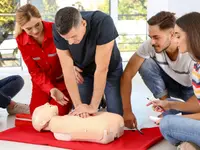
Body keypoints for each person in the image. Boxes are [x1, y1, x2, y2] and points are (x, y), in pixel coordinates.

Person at [120, 11, 195, 129]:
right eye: (151, 37)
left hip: (192, 89)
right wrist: (127, 111)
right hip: (172, 84)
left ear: (172, 34)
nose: (152, 42)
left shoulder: (190, 52)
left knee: (191, 115)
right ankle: (167, 106)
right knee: (145, 64)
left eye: (156, 37)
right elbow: (127, 74)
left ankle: (172, 109)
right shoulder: (150, 45)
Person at [53, 7, 123, 117]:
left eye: (73, 37)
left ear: (83, 23)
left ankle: (99, 99)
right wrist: (78, 105)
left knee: (116, 115)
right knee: (81, 113)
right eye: (66, 39)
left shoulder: (103, 22)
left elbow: (102, 69)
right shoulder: (59, 29)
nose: (70, 43)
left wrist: (93, 106)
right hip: (84, 70)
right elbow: (67, 70)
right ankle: (99, 98)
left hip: (109, 70)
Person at [149, 12, 200, 150]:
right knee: (171, 105)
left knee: (167, 124)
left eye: (178, 36)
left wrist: (179, 120)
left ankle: (187, 143)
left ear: (192, 35)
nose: (175, 41)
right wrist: (169, 105)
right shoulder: (197, 65)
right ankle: (190, 143)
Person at [14, 4, 72, 115]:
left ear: (41, 18)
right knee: (36, 115)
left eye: (37, 25)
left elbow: (70, 56)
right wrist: (50, 89)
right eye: (29, 28)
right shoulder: (20, 40)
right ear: (22, 27)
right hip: (42, 83)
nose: (35, 31)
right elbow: (34, 71)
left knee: (56, 113)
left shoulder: (56, 30)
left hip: (63, 81)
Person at [32, 102, 124, 144]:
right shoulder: (56, 127)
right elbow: (75, 132)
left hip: (107, 127)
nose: (46, 104)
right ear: (43, 122)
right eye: (42, 108)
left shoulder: (59, 122)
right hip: (105, 128)